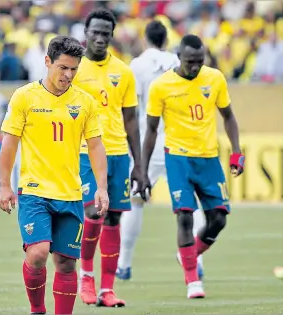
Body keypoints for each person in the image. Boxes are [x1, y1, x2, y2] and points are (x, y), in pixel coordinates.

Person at [0, 35, 110, 315]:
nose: (68, 75)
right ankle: (37, 310)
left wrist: (102, 187)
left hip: (70, 193)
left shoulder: (85, 102)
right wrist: (4, 185)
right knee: (37, 253)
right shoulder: (24, 97)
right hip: (34, 191)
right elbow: (9, 144)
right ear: (47, 62)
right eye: (62, 68)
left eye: (74, 69)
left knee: (65, 262)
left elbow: (96, 146)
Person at [142, 34, 244, 299]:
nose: (196, 67)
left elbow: (229, 116)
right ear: (179, 57)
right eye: (190, 62)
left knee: (218, 220)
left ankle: (187, 254)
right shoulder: (161, 86)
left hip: (208, 158)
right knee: (185, 215)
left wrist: (237, 152)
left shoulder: (215, 78)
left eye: (200, 61)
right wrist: (141, 169)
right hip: (178, 157)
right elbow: (151, 129)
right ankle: (192, 280)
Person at [116, 20, 206, 281]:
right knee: (191, 203)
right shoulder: (178, 61)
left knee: (135, 201)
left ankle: (124, 264)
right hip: (181, 138)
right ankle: (196, 259)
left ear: (145, 39)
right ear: (167, 40)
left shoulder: (136, 65)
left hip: (148, 140)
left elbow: (130, 107)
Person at [73, 8, 143, 307]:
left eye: (105, 33)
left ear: (111, 36)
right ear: (85, 34)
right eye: (95, 33)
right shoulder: (73, 69)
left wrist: (139, 164)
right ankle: (86, 276)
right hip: (84, 153)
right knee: (93, 213)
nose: (100, 38)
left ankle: (107, 290)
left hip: (116, 154)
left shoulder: (124, 72)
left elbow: (131, 120)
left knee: (113, 217)